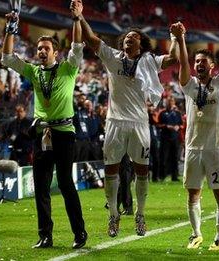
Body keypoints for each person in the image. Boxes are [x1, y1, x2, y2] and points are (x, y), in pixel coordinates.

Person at [75, 1, 178, 237]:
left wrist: (176, 38)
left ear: (141, 43)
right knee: (111, 169)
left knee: (142, 171)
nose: (129, 38)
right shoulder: (113, 57)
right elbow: (91, 39)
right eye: (127, 37)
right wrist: (80, 17)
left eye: (134, 36)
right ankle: (113, 215)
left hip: (140, 123)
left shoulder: (149, 61)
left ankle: (140, 215)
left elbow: (173, 59)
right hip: (115, 122)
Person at [1, 0, 87, 248]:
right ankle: (45, 236)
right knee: (40, 187)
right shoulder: (33, 71)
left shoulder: (69, 69)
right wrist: (10, 29)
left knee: (65, 183)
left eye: (45, 48)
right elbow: (7, 57)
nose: (40, 51)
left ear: (55, 52)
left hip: (64, 132)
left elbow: (78, 45)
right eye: (39, 48)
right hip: (42, 133)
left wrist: (76, 19)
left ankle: (79, 233)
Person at [176, 17, 219, 251]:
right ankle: (196, 233)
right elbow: (183, 71)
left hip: (215, 147)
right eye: (196, 61)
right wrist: (180, 40)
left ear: (212, 67)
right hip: (193, 147)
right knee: (193, 194)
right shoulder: (190, 86)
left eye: (202, 61)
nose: (198, 64)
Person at [158, 95, 183, 181]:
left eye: (171, 101)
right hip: (165, 137)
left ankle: (174, 176)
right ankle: (162, 175)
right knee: (164, 157)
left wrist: (178, 127)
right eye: (168, 102)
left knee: (175, 157)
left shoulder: (177, 113)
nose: (170, 103)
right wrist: (166, 126)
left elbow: (181, 124)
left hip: (174, 137)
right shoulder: (162, 113)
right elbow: (158, 125)